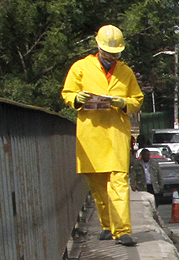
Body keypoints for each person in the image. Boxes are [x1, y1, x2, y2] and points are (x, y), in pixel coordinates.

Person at [61, 25, 144, 246]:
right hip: (91, 134)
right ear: (98, 47)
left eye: (114, 54)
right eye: (107, 53)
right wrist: (77, 98)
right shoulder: (80, 68)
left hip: (116, 133)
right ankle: (107, 225)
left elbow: (137, 100)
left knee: (118, 181)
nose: (111, 57)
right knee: (97, 184)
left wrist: (123, 103)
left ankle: (122, 230)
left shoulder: (126, 72)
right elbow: (68, 93)